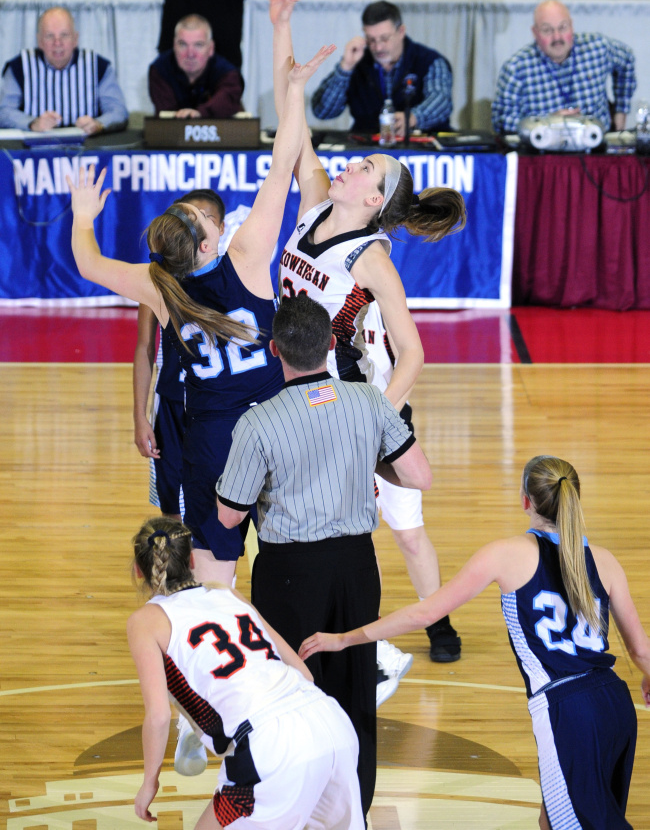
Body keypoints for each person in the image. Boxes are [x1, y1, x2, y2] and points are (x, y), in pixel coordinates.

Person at [67, 31, 336, 589]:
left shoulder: (157, 285)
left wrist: (83, 215)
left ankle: (216, 662)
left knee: (214, 577)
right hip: (274, 423)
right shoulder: (246, 257)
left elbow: (88, 265)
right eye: (204, 216)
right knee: (294, 558)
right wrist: (292, 92)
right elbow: (285, 159)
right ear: (211, 241)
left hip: (211, 440)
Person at [272, 0, 465, 666]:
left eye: (367, 165)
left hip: (362, 395)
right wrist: (281, 29)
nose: (353, 161)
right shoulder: (317, 198)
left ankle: (437, 622)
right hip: (299, 386)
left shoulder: (374, 258)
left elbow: (413, 354)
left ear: (376, 196)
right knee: (306, 519)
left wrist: (376, 421)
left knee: (408, 520)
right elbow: (292, 120)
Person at [300, 454, 650, 830]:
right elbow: (640, 650)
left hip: (567, 711)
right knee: (557, 819)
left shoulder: (505, 554)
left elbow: (425, 614)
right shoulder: (606, 560)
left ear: (525, 501)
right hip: (616, 705)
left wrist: (345, 638)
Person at [216, 293, 434, 818]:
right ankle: (353, 808)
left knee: (291, 690)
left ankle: (295, 807)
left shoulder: (258, 421)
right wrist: (366, 467)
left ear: (275, 350)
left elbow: (228, 516)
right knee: (356, 684)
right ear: (332, 345)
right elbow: (419, 476)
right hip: (358, 567)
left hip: (289, 574)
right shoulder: (369, 401)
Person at [128, 515, 365, 829]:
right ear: (193, 559)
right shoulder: (226, 594)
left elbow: (158, 716)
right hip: (330, 723)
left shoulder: (146, 620)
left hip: (269, 747)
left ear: (138, 570)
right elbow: (304, 673)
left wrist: (149, 783)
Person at [132, 189, 227, 520]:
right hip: (171, 406)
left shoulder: (232, 277)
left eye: (206, 219)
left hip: (219, 406)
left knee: (221, 501)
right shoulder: (157, 281)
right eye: (188, 218)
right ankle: (171, 568)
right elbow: (144, 349)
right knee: (172, 504)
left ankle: (217, 570)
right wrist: (139, 415)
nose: (195, 225)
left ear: (221, 230)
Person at [491, 0, 637, 134]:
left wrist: (621, 112)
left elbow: (627, 59)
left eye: (563, 27)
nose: (557, 37)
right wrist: (547, 123)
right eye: (547, 30)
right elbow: (501, 122)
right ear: (535, 33)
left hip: (596, 149)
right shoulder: (516, 69)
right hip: (541, 154)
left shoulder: (597, 47)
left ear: (572, 26)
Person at [311, 0, 453, 137]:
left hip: (422, 146)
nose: (378, 47)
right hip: (367, 149)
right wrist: (345, 68)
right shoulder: (357, 62)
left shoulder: (428, 61)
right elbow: (323, 112)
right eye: (371, 40)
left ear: (401, 31)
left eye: (384, 38)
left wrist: (413, 118)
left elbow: (441, 101)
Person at [0, 6, 128, 134]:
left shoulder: (98, 66)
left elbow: (118, 111)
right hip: (33, 148)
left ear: (75, 39)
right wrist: (32, 123)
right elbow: (4, 111)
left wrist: (98, 124)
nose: (57, 43)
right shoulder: (19, 67)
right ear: (39, 41)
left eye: (64, 35)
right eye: (50, 36)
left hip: (88, 147)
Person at [148, 14, 244, 119]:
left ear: (211, 48)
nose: (190, 54)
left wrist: (199, 113)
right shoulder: (159, 70)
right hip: (174, 133)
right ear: (174, 46)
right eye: (183, 44)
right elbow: (167, 117)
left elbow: (226, 101)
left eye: (198, 45)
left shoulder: (228, 73)